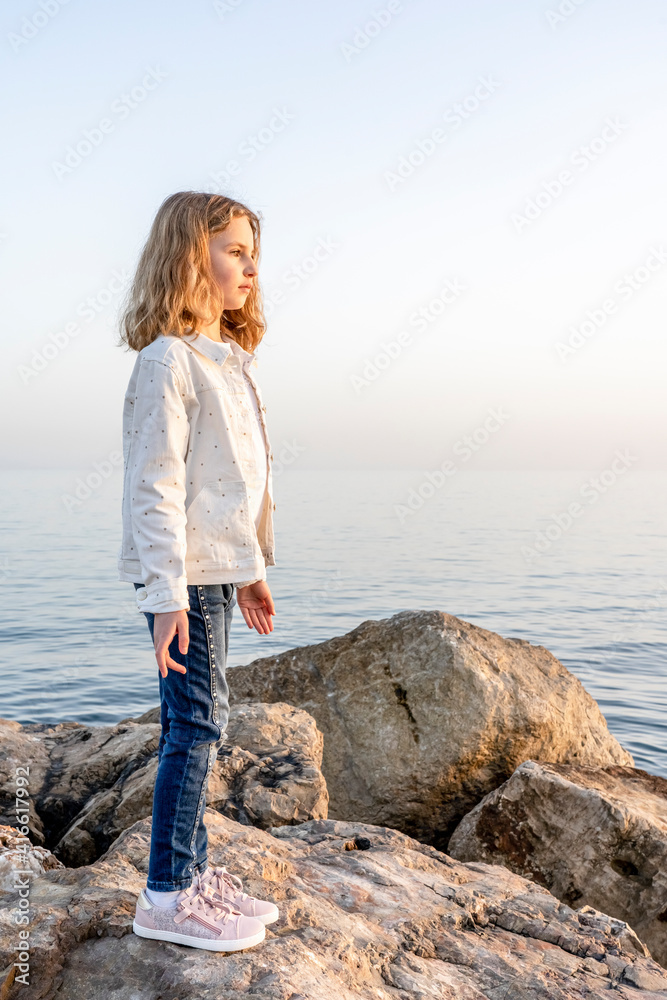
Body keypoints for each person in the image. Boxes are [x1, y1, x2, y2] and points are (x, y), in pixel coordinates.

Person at [116, 191, 279, 951]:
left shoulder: (227, 363)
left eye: (252, 252)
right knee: (194, 725)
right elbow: (157, 485)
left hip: (214, 573)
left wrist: (247, 568)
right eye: (234, 250)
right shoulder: (167, 363)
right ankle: (165, 895)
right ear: (191, 257)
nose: (250, 266)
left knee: (205, 720)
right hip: (183, 580)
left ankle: (193, 873)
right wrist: (165, 595)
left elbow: (233, 482)